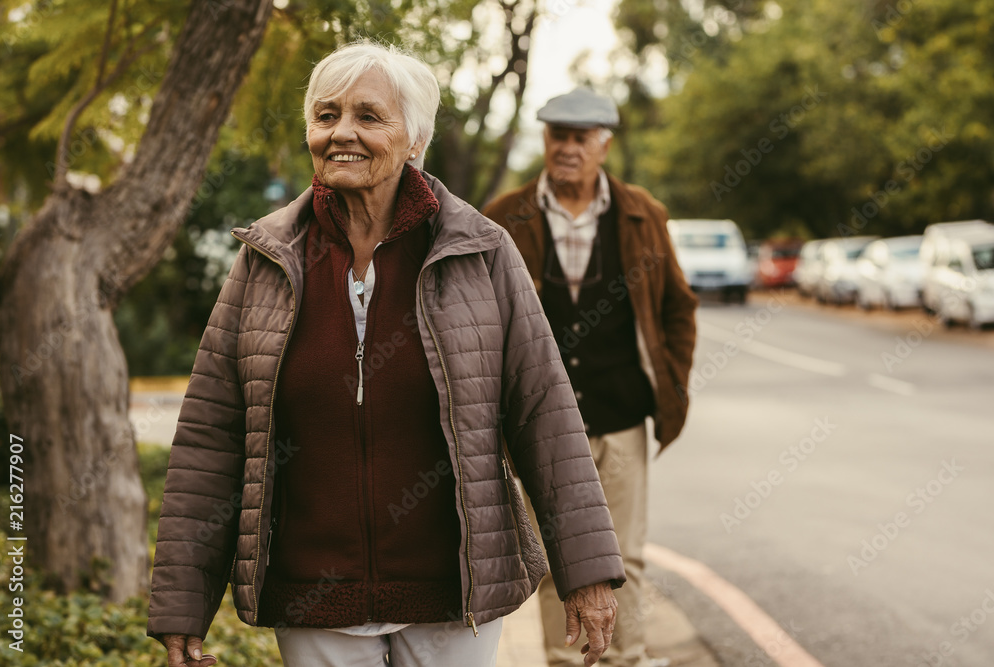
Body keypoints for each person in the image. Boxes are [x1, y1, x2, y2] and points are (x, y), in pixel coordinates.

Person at [146, 43, 627, 667]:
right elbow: (211, 440)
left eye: (368, 117)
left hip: (453, 597)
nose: (342, 132)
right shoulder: (266, 259)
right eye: (326, 116)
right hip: (314, 595)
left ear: (415, 138)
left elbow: (546, 415)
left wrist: (585, 572)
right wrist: (184, 601)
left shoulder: (480, 252)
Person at [482, 88, 698, 667]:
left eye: (581, 137)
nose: (567, 148)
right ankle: (564, 661)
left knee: (623, 559)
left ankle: (625, 660)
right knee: (556, 560)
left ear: (604, 144)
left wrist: (670, 379)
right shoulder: (505, 216)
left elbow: (679, 306)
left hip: (619, 417)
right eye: (558, 136)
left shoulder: (642, 214)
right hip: (536, 423)